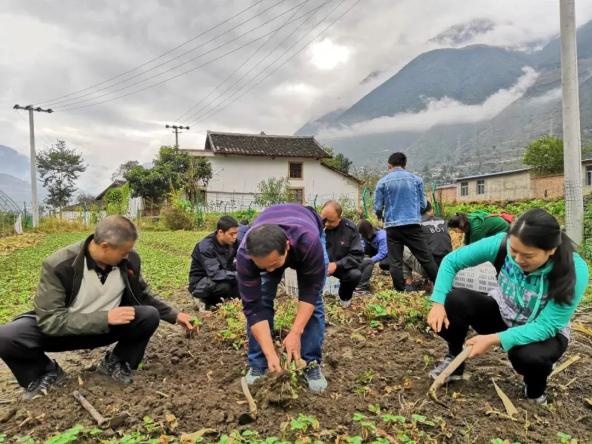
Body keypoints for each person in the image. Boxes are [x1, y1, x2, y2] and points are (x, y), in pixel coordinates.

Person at [0, 216, 195, 401]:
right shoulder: (59, 265)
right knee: (7, 336)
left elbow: (142, 295)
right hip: (63, 331)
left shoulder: (129, 262)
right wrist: (104, 317)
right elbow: (51, 320)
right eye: (123, 252)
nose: (128, 256)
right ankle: (44, 373)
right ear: (105, 247)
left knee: (148, 315)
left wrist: (175, 315)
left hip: (107, 329)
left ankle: (117, 363)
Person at [427, 209, 589, 404]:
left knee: (530, 358)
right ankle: (454, 360)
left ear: (551, 249)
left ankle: (535, 390)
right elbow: (451, 261)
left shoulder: (573, 270)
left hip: (542, 329)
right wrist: (438, 303)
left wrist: (493, 339)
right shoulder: (500, 244)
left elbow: (547, 326)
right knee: (454, 301)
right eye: (514, 251)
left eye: (528, 256)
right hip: (503, 311)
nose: (518, 260)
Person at [236, 204, 328, 393]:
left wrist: (295, 333)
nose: (271, 271)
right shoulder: (245, 254)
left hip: (308, 228)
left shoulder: (309, 243)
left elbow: (310, 292)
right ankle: (259, 364)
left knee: (315, 302)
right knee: (262, 296)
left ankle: (310, 363)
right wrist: (271, 354)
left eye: (274, 264)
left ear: (287, 247)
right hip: (270, 234)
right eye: (263, 267)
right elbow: (253, 308)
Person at [374, 152, 439, 291]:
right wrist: (414, 214)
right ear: (404, 165)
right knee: (425, 257)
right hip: (413, 226)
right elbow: (423, 204)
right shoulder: (416, 180)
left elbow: (378, 207)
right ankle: (441, 286)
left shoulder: (383, 182)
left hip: (393, 227)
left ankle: (400, 290)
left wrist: (381, 216)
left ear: (389, 166)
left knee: (395, 261)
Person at [188, 216, 240, 309]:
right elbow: (215, 274)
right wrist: (238, 275)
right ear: (220, 232)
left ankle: (223, 302)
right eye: (232, 234)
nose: (235, 237)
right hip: (201, 282)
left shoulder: (233, 242)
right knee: (226, 285)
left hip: (220, 274)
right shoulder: (206, 247)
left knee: (240, 281)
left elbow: (245, 253)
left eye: (236, 233)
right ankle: (200, 299)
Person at [320, 200, 364, 308]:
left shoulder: (350, 229)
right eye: (324, 220)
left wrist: (337, 265)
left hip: (340, 266)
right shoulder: (315, 225)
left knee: (355, 275)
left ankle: (344, 298)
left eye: (330, 221)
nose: (326, 224)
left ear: (339, 218)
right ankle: (316, 302)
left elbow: (357, 255)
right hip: (318, 265)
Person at [402, 201, 452, 287]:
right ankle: (430, 280)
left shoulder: (415, 224)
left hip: (430, 269)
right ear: (431, 209)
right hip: (448, 266)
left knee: (401, 248)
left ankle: (408, 283)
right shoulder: (443, 221)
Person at [357, 219, 389, 292]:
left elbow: (382, 253)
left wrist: (370, 261)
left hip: (388, 252)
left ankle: (390, 268)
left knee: (384, 264)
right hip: (375, 249)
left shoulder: (382, 236)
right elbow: (362, 246)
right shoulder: (363, 236)